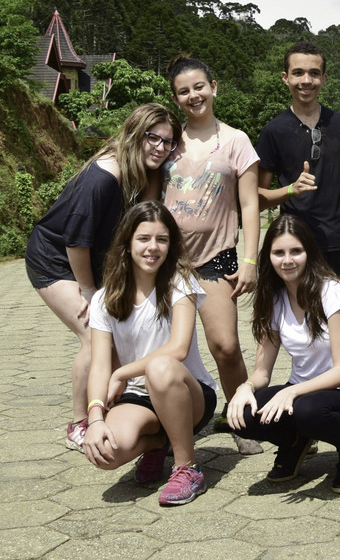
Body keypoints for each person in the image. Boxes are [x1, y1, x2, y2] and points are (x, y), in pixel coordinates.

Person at [25, 102, 180, 452]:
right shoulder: (103, 176)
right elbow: (75, 240)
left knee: (113, 337)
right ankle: (80, 423)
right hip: (56, 258)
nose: (160, 147)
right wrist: (88, 291)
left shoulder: (143, 169)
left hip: (91, 256)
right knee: (94, 337)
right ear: (135, 134)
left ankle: (115, 409)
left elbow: (147, 215)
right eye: (152, 138)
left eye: (167, 142)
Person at [82, 201, 218, 506]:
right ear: (127, 242)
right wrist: (94, 418)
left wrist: (122, 372)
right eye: (143, 238)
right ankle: (158, 443)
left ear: (171, 245)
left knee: (160, 366)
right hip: (139, 396)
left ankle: (188, 468)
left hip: (187, 393)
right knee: (107, 453)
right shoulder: (104, 298)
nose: (152, 247)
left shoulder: (180, 282)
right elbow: (99, 366)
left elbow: (178, 348)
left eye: (162, 239)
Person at [226, 215, 340, 493]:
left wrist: (291, 392)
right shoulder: (274, 297)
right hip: (302, 393)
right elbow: (262, 371)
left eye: (296, 251)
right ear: (269, 257)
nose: (287, 260)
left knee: (308, 411)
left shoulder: (333, 291)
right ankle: (294, 442)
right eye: (279, 253)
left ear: (309, 253)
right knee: (243, 414)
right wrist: (245, 388)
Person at [164, 55, 262, 455]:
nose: (193, 96)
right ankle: (171, 425)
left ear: (214, 87)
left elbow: (250, 204)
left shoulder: (236, 140)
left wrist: (251, 260)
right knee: (169, 349)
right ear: (175, 98)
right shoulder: (168, 140)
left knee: (225, 346)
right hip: (166, 264)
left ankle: (240, 419)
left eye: (199, 87)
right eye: (183, 91)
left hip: (216, 259)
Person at [257, 41, 340, 279]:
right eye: (298, 73)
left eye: (314, 73)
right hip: (295, 245)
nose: (306, 80)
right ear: (285, 78)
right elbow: (257, 198)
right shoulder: (272, 131)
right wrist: (291, 190)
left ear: (324, 78)